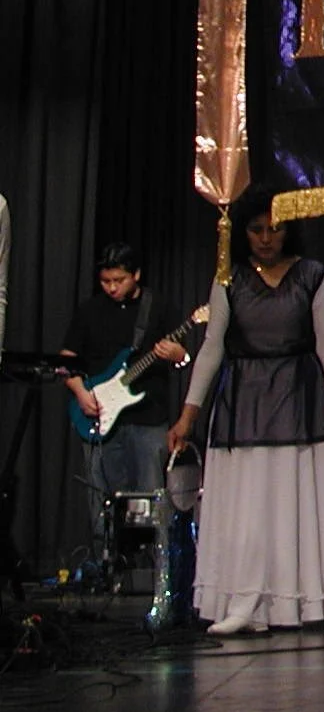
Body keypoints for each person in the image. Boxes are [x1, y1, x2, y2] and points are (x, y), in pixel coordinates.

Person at [167, 196, 324, 634]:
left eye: (274, 229)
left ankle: (288, 602)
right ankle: (242, 599)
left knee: (289, 501)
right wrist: (188, 416)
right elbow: (212, 347)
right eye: (256, 230)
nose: (266, 239)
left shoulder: (312, 275)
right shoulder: (228, 279)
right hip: (244, 400)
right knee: (245, 505)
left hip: (296, 396)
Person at [60, 243, 192, 574]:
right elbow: (67, 361)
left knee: (148, 498)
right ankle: (108, 568)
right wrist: (80, 392)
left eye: (118, 280)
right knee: (102, 498)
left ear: (136, 275)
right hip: (100, 417)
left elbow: (184, 359)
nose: (111, 287)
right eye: (105, 281)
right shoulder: (89, 311)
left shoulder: (158, 308)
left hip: (148, 418)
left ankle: (152, 573)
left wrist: (178, 354)